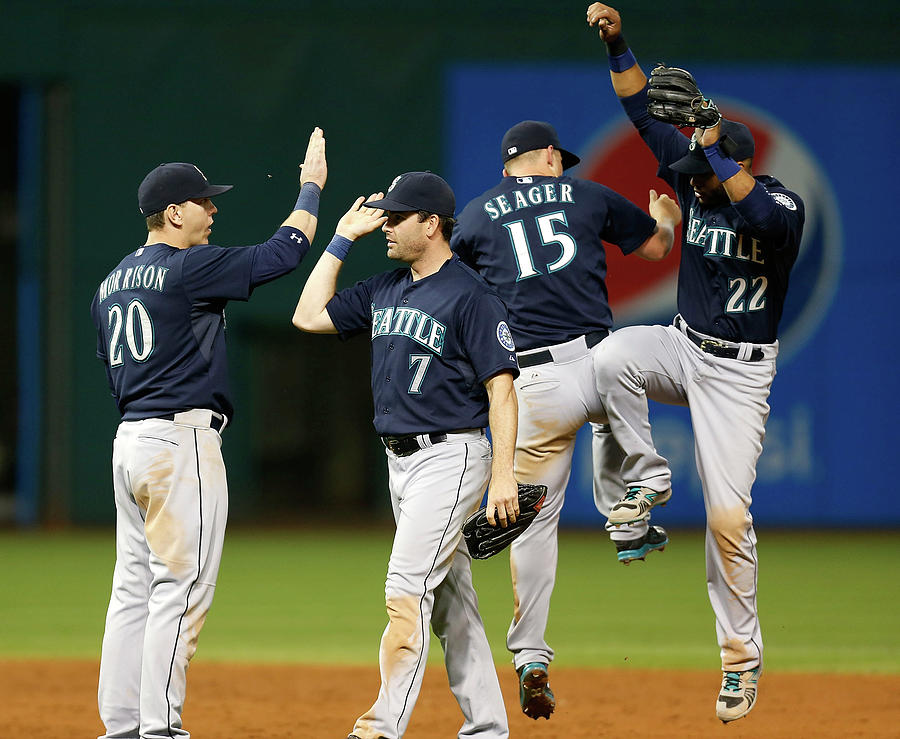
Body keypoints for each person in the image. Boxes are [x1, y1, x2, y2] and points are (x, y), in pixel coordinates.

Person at [586, 3, 806, 723]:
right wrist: (619, 43)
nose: (689, 178)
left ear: (733, 161)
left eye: (705, 168)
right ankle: (644, 484)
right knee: (612, 354)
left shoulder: (780, 203)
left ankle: (741, 661)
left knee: (727, 517)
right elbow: (641, 112)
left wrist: (713, 149)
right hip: (684, 346)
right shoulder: (695, 178)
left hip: (741, 376)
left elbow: (765, 222)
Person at [90, 128, 327, 739]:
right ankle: (159, 727)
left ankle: (120, 725)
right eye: (203, 200)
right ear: (173, 213)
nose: (213, 208)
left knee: (132, 590)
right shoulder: (186, 267)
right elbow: (283, 254)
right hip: (179, 442)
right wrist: (312, 188)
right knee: (181, 586)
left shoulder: (110, 283)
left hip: (130, 441)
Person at [451, 119, 681, 719]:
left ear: (507, 166)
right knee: (617, 399)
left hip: (532, 384)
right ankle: (627, 519)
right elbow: (655, 248)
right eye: (561, 158)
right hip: (597, 362)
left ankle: (530, 654)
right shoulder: (588, 193)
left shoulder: (476, 213)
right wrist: (666, 221)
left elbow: (448, 284)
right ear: (551, 157)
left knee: (532, 523)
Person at [292, 171, 519, 739]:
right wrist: (342, 238)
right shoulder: (386, 288)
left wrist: (504, 474)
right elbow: (308, 315)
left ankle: (380, 727)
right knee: (450, 603)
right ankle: (489, 727)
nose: (386, 226)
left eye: (396, 217)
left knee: (405, 588)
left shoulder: (472, 295)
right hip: (401, 462)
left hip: (452, 457)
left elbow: (503, 389)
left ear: (432, 224)